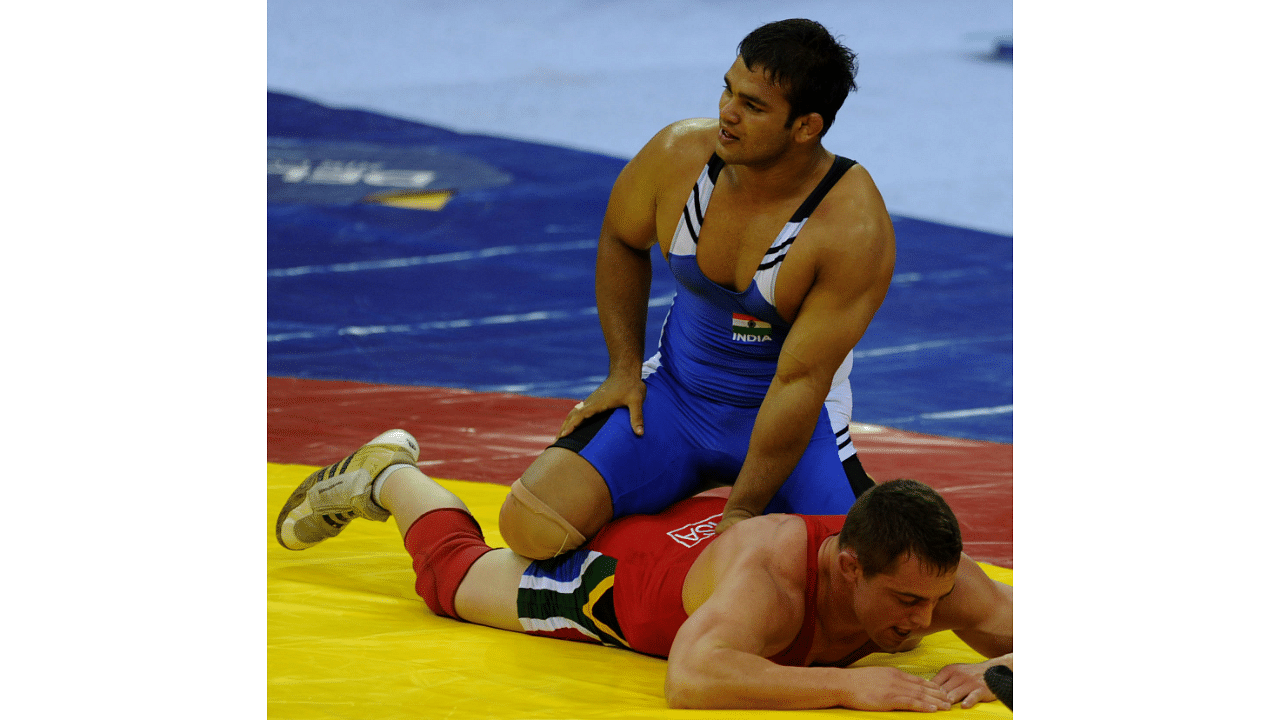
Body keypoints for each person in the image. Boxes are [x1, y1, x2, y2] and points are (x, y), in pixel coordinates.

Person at [498, 18, 898, 561]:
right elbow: (621, 237)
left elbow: (800, 382)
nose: (727, 113)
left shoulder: (850, 227)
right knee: (531, 525)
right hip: (677, 399)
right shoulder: (679, 156)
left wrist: (744, 509)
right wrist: (622, 369)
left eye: (753, 106)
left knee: (869, 583)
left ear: (806, 127)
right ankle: (658, 541)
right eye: (728, 89)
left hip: (793, 428)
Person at [276, 430, 1013, 713]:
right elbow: (691, 679)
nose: (926, 620)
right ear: (849, 567)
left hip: (703, 543)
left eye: (935, 601)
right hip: (622, 578)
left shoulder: (933, 573)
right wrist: (853, 686)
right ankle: (390, 476)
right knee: (453, 581)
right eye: (908, 602)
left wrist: (998, 675)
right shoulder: (773, 583)